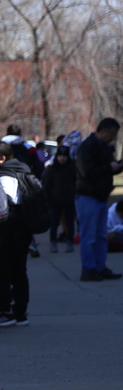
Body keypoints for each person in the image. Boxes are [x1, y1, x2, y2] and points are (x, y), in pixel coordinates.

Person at [0, 141, 32, 326]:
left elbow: (5, 201)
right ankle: (21, 313)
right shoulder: (22, 169)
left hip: (11, 227)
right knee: (19, 270)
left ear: (1, 159)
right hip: (24, 226)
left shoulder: (4, 175)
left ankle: (5, 310)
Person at [75, 117, 123, 281]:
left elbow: (110, 168)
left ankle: (100, 267)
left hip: (101, 196)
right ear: (102, 132)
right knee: (89, 236)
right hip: (88, 196)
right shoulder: (87, 147)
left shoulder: (105, 147)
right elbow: (87, 172)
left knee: (101, 235)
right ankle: (88, 269)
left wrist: (117, 166)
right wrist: (109, 167)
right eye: (112, 135)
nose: (113, 139)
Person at [42, 145, 76, 253]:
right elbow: (47, 186)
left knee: (70, 222)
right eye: (60, 156)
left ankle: (69, 241)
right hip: (55, 200)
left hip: (69, 199)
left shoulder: (72, 168)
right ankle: (53, 242)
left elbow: (77, 183)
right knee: (54, 223)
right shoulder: (52, 169)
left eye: (64, 156)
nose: (62, 158)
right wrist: (47, 200)